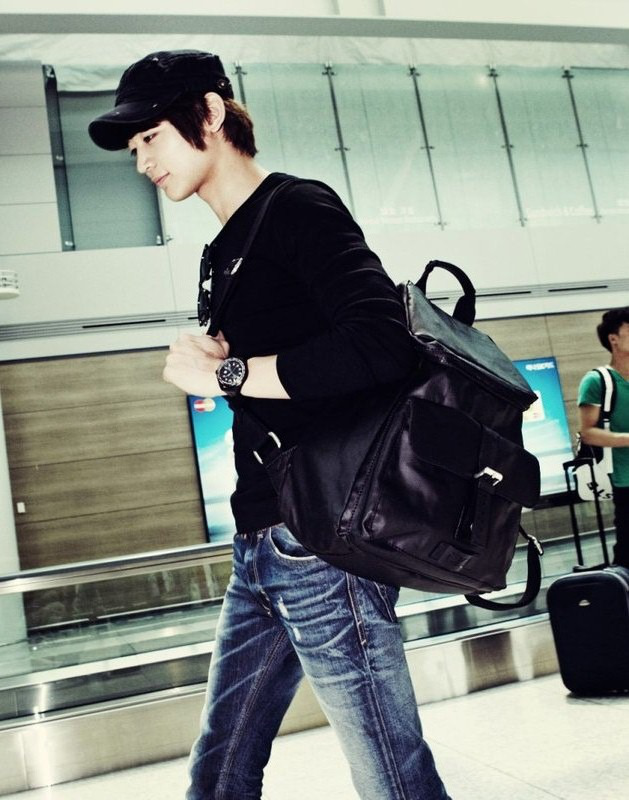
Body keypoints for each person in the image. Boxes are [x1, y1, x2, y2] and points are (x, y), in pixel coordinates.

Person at [89, 50, 450, 800]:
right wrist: (232, 365)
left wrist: (225, 374)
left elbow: (381, 341)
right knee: (220, 768)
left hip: (321, 542)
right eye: (133, 149)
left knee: (392, 777)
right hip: (260, 540)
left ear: (210, 113)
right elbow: (288, 380)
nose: (141, 162)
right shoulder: (224, 249)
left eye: (150, 137)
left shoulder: (296, 208)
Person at [578, 307, 629, 567]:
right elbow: (588, 433)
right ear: (614, 339)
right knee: (628, 551)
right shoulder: (598, 381)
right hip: (625, 479)